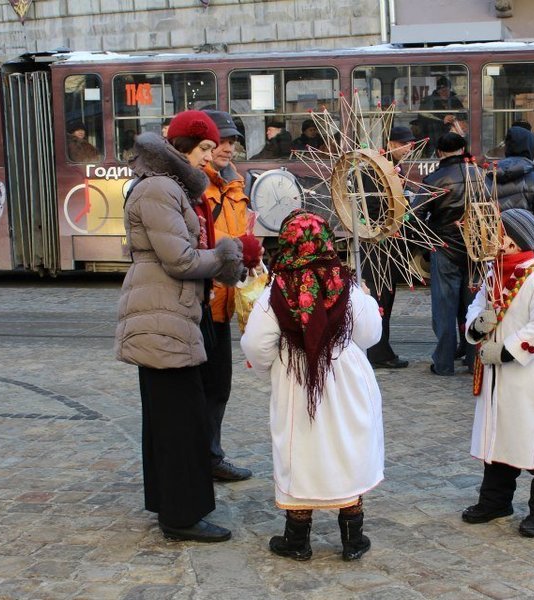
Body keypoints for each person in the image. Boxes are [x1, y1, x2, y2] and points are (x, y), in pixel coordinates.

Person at [115, 110, 245, 543]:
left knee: (170, 416)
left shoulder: (168, 186)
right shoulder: (159, 189)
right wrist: (228, 254)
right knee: (180, 419)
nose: (210, 156)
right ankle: (181, 516)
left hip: (168, 311)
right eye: (205, 148)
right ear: (184, 145)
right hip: (162, 314)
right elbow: (182, 259)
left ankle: (170, 505)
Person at [240, 210, 383, 562]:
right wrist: (365, 298)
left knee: (299, 449)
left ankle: (297, 539)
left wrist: (269, 369)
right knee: (348, 445)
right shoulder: (346, 284)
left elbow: (256, 343)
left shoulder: (276, 290)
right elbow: (370, 334)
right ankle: (353, 538)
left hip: (298, 379)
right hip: (346, 375)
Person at [461, 208, 534, 538]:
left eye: (500, 231)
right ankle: (495, 501)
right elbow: (476, 306)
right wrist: (478, 325)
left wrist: (506, 350)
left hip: (529, 378)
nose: (493, 237)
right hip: (496, 378)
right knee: (499, 435)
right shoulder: (493, 271)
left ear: (514, 238)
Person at [200, 109, 262, 482]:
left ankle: (212, 454)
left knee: (220, 386)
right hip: (204, 299)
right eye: (219, 141)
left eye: (232, 141)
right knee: (204, 387)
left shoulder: (234, 184)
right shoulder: (197, 186)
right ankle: (204, 456)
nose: (227, 147)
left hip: (227, 300)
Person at [486, 125, 534, 345]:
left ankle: (499, 342)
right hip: (531, 257)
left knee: (500, 301)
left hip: (499, 253)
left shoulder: (489, 178)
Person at [418, 132, 486, 375]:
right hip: (475, 249)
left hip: (444, 247)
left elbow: (416, 215)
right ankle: (473, 359)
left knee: (444, 308)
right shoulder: (479, 175)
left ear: (439, 152)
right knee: (474, 307)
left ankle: (444, 363)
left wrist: (427, 243)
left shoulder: (434, 179)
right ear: (463, 149)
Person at [363, 126, 415, 369]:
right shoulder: (376, 168)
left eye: (411, 143)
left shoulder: (393, 166)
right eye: (405, 143)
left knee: (386, 295)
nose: (410, 147)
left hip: (389, 243)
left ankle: (381, 348)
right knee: (380, 296)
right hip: (379, 244)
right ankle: (378, 351)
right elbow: (372, 208)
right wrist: (394, 218)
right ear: (391, 143)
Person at [417, 76, 467, 152]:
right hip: (434, 136)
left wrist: (458, 120)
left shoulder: (455, 100)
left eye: (447, 90)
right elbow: (423, 115)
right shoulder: (428, 100)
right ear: (438, 90)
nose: (445, 93)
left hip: (454, 136)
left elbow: (463, 115)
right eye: (442, 90)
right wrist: (442, 118)